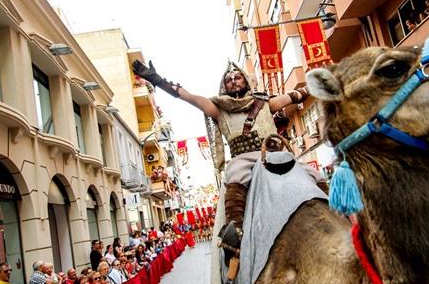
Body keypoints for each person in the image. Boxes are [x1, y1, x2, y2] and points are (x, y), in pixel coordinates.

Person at [132, 60, 326, 239]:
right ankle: (236, 230)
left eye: (237, 77)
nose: (233, 81)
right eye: (229, 79)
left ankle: (334, 210)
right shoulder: (218, 108)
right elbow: (190, 98)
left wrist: (320, 83)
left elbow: (294, 96)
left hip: (276, 154)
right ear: (224, 85)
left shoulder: (265, 102)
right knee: (234, 175)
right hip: (244, 159)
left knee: (314, 174)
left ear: (246, 80)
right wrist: (158, 80)